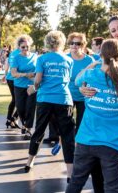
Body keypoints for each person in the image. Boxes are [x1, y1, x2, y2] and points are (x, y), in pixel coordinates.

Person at [66, 39, 118, 192]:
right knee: (113, 188)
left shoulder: (90, 74)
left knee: (75, 183)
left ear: (100, 54)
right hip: (113, 145)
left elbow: (77, 80)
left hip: (86, 141)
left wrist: (92, 64)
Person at [25, 31, 75, 183]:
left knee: (39, 130)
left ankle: (30, 162)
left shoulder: (42, 58)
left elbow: (38, 80)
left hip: (45, 99)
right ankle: (69, 173)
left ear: (47, 42)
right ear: (62, 42)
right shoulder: (68, 60)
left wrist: (33, 88)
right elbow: (67, 79)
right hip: (64, 99)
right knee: (67, 136)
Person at [11, 35, 37, 139]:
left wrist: (35, 77)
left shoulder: (35, 56)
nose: (26, 49)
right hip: (19, 86)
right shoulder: (16, 57)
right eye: (23, 47)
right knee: (20, 108)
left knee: (30, 108)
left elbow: (38, 70)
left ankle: (28, 129)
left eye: (27, 46)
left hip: (32, 86)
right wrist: (26, 75)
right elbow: (13, 73)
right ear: (19, 47)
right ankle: (24, 124)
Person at [3, 45, 20, 129]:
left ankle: (9, 119)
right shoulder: (22, 53)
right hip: (17, 79)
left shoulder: (12, 53)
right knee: (20, 101)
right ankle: (13, 118)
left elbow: (6, 66)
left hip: (10, 78)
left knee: (14, 100)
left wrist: (5, 75)